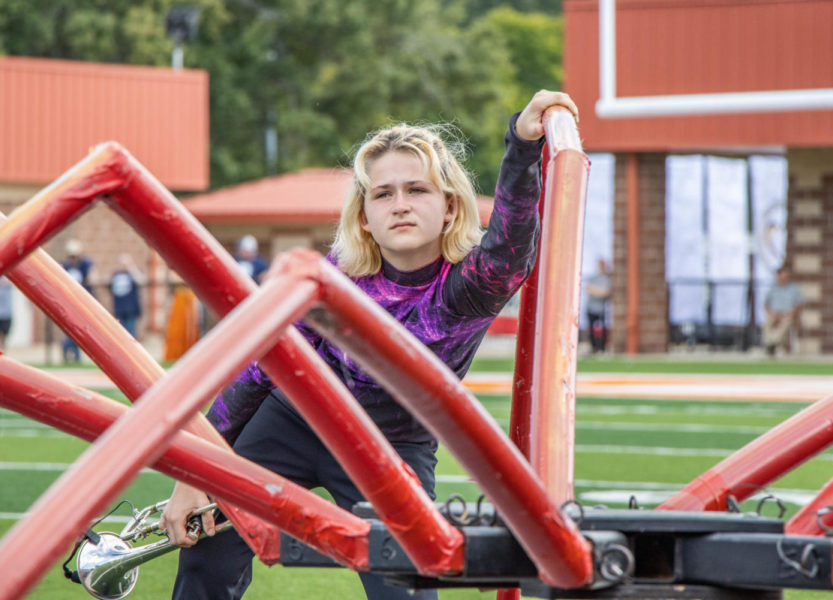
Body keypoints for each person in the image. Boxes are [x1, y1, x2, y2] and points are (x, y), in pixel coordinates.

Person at [160, 90, 580, 600]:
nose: (399, 205)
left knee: (406, 586)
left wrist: (520, 143)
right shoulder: (335, 278)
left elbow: (513, 242)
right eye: (383, 194)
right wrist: (194, 474)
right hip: (293, 418)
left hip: (393, 442)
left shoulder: (468, 287)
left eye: (417, 190)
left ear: (449, 208)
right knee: (206, 557)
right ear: (364, 216)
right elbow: (257, 371)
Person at [61, 239, 96, 363]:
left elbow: (92, 278)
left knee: (80, 329)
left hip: (82, 302)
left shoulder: (85, 264)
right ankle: (67, 350)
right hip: (69, 302)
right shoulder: (65, 265)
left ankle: (76, 355)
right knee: (71, 329)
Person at [762, 264, 803, 356]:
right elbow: (765, 304)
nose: (785, 277)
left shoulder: (793, 288)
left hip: (788, 314)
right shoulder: (772, 288)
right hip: (773, 313)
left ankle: (771, 344)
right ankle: (770, 344)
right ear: (778, 275)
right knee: (767, 323)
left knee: (785, 323)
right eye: (783, 274)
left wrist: (788, 314)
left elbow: (799, 304)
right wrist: (772, 313)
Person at [109, 253, 144, 339]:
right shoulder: (115, 274)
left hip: (131, 309)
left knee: (131, 334)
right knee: (120, 334)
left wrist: (131, 267)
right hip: (119, 309)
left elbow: (140, 281)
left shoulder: (132, 274)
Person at [585, 258, 611, 353]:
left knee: (603, 328)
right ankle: (593, 347)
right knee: (591, 329)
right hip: (591, 307)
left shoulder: (606, 279)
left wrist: (595, 291)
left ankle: (602, 347)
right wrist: (598, 291)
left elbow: (606, 292)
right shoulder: (593, 278)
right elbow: (588, 289)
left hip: (601, 308)